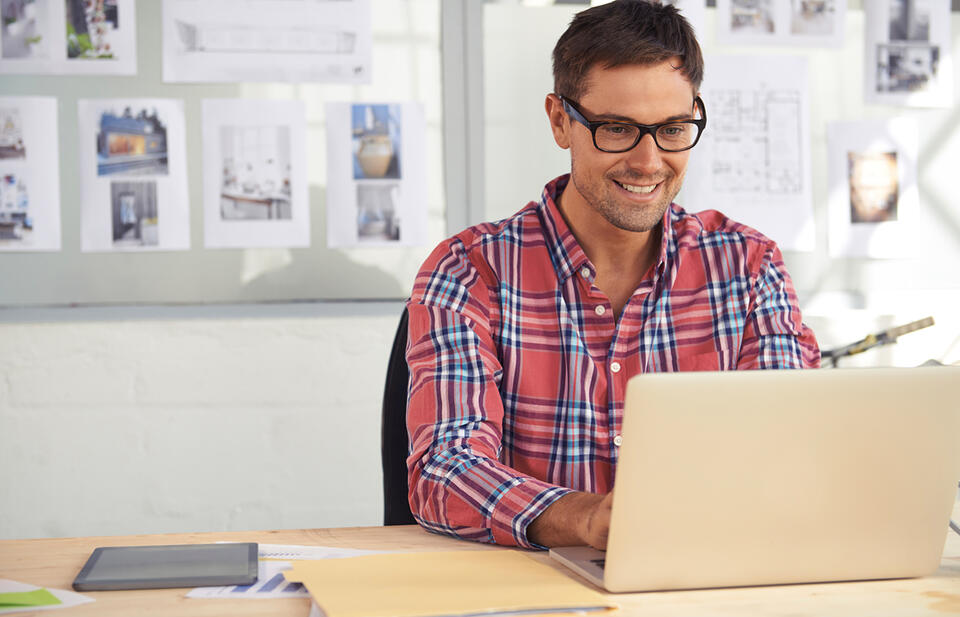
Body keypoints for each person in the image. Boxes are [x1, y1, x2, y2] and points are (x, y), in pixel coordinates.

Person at [404, 0, 820, 551]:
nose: (649, 161)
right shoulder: (469, 272)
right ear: (559, 121)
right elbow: (445, 469)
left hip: (710, 579)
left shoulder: (747, 266)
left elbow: (788, 447)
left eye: (673, 128)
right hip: (534, 587)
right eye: (617, 129)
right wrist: (582, 519)